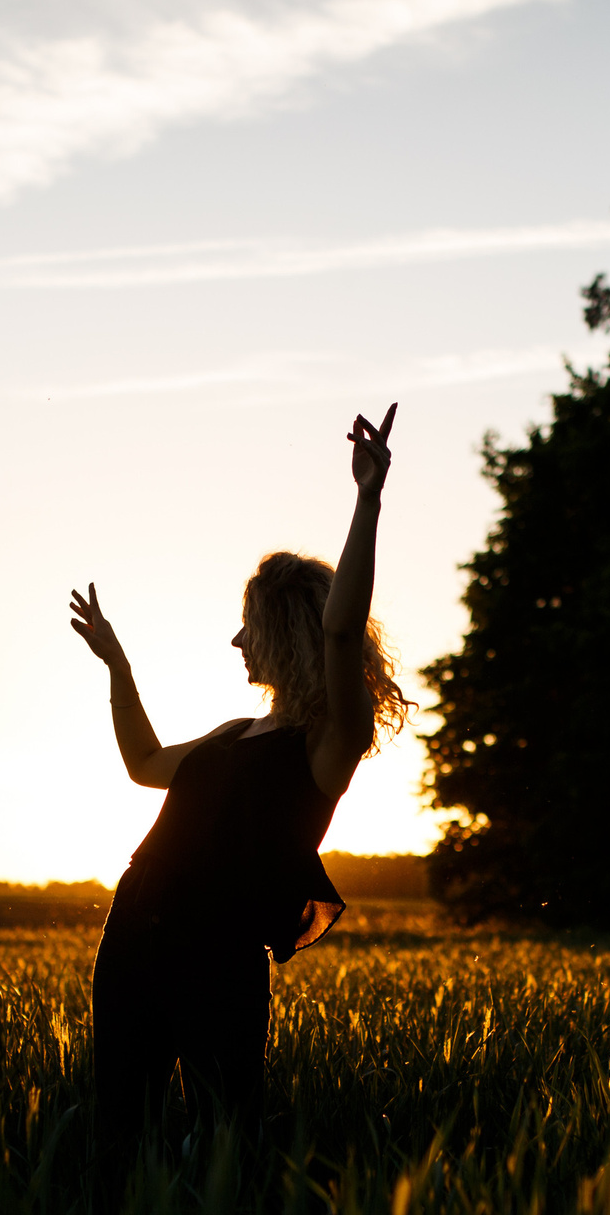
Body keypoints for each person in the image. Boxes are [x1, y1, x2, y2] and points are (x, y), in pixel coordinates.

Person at [66, 404, 410, 1162]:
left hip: (217, 948)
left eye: (247, 622)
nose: (235, 638)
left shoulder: (329, 741)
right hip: (133, 928)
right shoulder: (231, 734)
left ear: (286, 629)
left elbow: (342, 630)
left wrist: (368, 500)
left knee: (227, 1135)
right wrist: (119, 668)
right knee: (120, 1131)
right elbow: (144, 764)